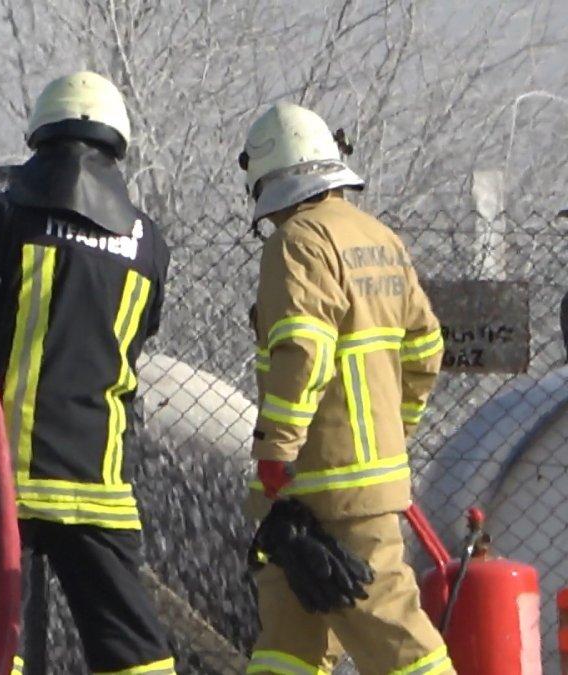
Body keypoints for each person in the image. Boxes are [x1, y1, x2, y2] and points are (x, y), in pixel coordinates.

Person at [0, 71, 174, 674]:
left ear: (38, 138)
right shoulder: (147, 245)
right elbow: (137, 339)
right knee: (131, 645)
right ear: (117, 147)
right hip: (93, 480)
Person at [240, 102, 454, 675]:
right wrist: (395, 430)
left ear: (267, 176)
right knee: (289, 636)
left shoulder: (298, 242)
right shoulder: (380, 239)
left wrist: (274, 452)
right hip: (355, 479)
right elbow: (426, 349)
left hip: (325, 480)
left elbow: (302, 351)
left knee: (393, 633)